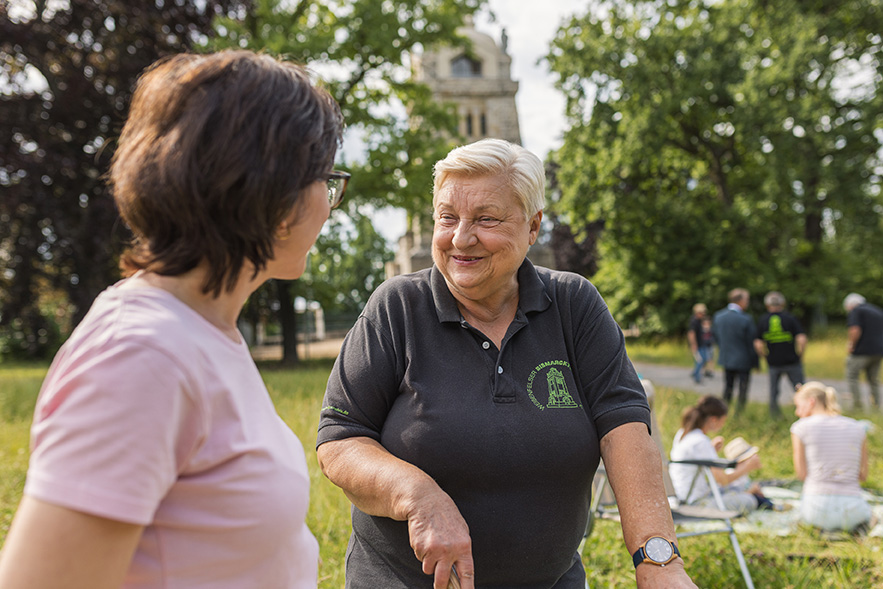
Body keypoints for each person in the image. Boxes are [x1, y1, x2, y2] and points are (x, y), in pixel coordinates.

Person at [0, 50, 346, 588]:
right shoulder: (143, 354)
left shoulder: (204, 332)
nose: (330, 202)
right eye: (326, 178)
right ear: (274, 195)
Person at [315, 139, 696, 589]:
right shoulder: (397, 307)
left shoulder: (574, 305)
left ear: (533, 227)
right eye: (447, 217)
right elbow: (340, 440)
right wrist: (417, 495)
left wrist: (658, 563)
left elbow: (626, 430)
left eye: (486, 219)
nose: (460, 238)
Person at [669, 396, 772, 514]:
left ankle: (748, 492)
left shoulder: (683, 433)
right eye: (723, 421)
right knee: (750, 500)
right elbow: (722, 480)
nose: (723, 425)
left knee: (735, 490)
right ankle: (749, 493)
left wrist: (711, 449)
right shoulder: (701, 442)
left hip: (681, 494)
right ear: (714, 420)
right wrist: (747, 467)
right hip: (696, 503)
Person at [791, 381, 872, 532]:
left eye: (798, 406)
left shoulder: (800, 428)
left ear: (811, 402)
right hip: (853, 511)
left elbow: (801, 474)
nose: (797, 412)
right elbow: (863, 475)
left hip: (815, 511)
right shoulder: (858, 428)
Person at [754, 291, 807, 417]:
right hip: (792, 360)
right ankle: (804, 412)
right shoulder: (790, 318)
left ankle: (774, 415)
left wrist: (764, 356)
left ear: (767, 305)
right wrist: (800, 355)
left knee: (773, 391)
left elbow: (757, 343)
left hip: (773, 361)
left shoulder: (763, 320)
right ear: (782, 303)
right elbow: (802, 339)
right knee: (800, 389)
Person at [712, 288, 757, 412]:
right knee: (743, 388)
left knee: (728, 387)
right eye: (746, 300)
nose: (747, 303)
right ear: (740, 301)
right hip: (744, 359)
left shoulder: (718, 316)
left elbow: (715, 337)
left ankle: (723, 411)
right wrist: (755, 362)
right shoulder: (746, 319)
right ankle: (739, 412)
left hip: (726, 358)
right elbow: (751, 342)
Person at [843, 293, 883, 411]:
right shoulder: (877, 311)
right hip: (879, 351)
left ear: (850, 305)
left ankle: (857, 406)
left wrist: (851, 345)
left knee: (852, 376)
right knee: (873, 379)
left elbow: (855, 329)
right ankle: (876, 407)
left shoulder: (856, 311)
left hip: (862, 351)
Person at [688, 303, 714, 383]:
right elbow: (691, 333)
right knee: (700, 360)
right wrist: (693, 344)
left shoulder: (699, 321)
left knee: (702, 360)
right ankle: (697, 376)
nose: (703, 314)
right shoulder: (694, 321)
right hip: (698, 345)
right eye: (702, 312)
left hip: (702, 344)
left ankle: (696, 373)